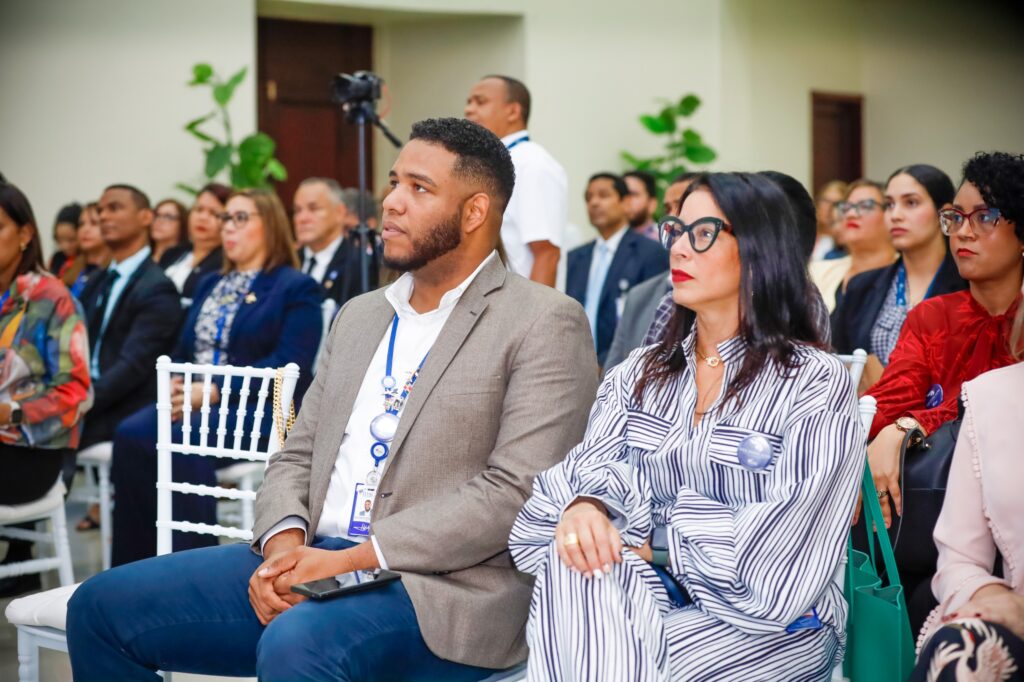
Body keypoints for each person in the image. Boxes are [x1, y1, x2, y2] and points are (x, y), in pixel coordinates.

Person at [67, 117, 598, 681]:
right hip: (311, 553)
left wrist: (346, 561)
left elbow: (515, 494)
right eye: (394, 183)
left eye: (418, 189)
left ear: (474, 212)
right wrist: (284, 548)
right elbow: (297, 452)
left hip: (439, 589)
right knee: (99, 609)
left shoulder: (543, 320)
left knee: (300, 643)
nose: (391, 202)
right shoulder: (360, 315)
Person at [510, 172, 863, 681]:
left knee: (607, 653)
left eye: (702, 233)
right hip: (644, 596)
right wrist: (587, 508)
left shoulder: (813, 381)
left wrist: (650, 534)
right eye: (674, 230)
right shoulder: (638, 373)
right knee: (581, 563)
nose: (677, 249)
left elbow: (777, 573)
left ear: (760, 250)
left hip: (775, 629)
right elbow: (539, 523)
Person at [109, 188, 323, 566]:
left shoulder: (295, 287)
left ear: (270, 226)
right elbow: (182, 350)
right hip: (194, 404)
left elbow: (290, 364)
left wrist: (214, 390)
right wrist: (177, 381)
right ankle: (134, 566)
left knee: (177, 439)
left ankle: (191, 564)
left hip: (257, 412)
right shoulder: (210, 283)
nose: (229, 227)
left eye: (241, 218)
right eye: (227, 218)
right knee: (130, 433)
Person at [866, 152, 1024, 629]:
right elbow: (884, 406)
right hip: (933, 526)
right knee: (912, 600)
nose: (964, 232)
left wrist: (913, 425)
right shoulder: (934, 317)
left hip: (1012, 515)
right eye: (956, 217)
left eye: (987, 217)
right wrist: (896, 423)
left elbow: (1001, 410)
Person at [0, 181, 91, 597]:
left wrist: (13, 410)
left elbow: (76, 391)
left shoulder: (51, 298)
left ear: (25, 234)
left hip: (29, 453)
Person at [641, 170, 833, 350]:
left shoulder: (800, 305)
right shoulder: (673, 304)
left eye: (706, 233)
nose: (677, 249)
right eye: (680, 229)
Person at [832, 165, 967, 390]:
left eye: (911, 203)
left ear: (944, 214)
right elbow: (834, 361)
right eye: (889, 205)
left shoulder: (968, 287)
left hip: (939, 420)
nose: (895, 215)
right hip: (865, 418)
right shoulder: (861, 287)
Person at [78, 184, 181, 454]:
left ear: (146, 217)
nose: (103, 217)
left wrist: (79, 403)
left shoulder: (158, 287)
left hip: (121, 407)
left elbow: (133, 367)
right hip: (83, 398)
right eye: (100, 210)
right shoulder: (97, 280)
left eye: (114, 208)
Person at [465, 74, 565, 286]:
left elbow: (546, 254)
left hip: (518, 309)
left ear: (513, 111)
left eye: (480, 102)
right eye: (469, 102)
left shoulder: (532, 163)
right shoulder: (491, 163)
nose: (469, 110)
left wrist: (533, 318)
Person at [567, 173, 668, 366]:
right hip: (575, 366)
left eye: (603, 195)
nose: (594, 203)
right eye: (589, 198)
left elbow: (651, 320)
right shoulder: (575, 257)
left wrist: (604, 364)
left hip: (625, 365)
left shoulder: (650, 253)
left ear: (626, 202)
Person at [604, 173, 697, 369]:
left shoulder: (720, 298)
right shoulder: (640, 296)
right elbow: (612, 371)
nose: (673, 216)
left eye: (682, 206)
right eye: (668, 208)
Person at [809, 179, 897, 311]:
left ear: (890, 216)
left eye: (866, 206)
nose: (851, 214)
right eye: (846, 207)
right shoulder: (817, 272)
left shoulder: (907, 276)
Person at [294, 177, 378, 307]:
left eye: (313, 209)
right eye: (297, 210)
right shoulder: (287, 261)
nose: (302, 218)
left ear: (340, 212)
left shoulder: (360, 264)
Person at [162, 183, 231, 303]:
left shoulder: (226, 263)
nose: (203, 218)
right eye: (199, 209)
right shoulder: (172, 253)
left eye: (214, 213)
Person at [60, 202, 110, 299]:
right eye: (81, 224)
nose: (85, 229)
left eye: (94, 223)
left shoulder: (113, 271)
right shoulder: (71, 268)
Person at [812, 180, 848, 261]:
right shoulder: (805, 233)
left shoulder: (845, 242)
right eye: (826, 201)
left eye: (836, 203)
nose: (829, 208)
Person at [624, 170, 660, 242]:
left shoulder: (667, 241)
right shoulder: (606, 243)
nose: (626, 200)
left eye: (633, 194)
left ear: (652, 204)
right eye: (623, 194)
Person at [149, 198, 188, 265]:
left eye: (168, 217)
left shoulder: (185, 260)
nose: (159, 221)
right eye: (157, 215)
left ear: (182, 224)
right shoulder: (141, 254)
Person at [48, 202, 81, 275]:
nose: (65, 246)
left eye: (71, 240)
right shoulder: (56, 258)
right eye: (59, 240)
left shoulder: (88, 261)